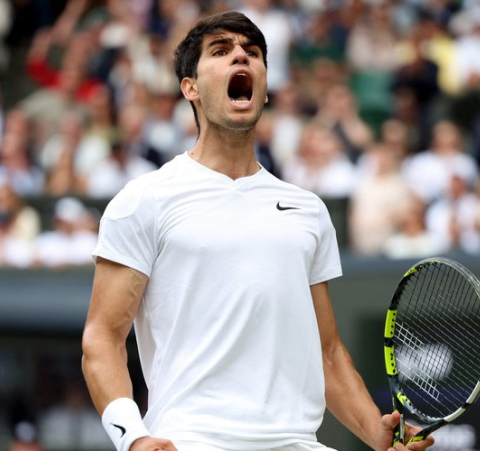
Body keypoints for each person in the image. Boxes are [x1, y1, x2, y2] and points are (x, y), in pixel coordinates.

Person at [82, 11, 434, 451]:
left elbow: (327, 353)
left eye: (252, 53)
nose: (240, 58)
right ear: (190, 87)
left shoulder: (307, 210)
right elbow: (102, 338)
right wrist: (133, 437)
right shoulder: (143, 200)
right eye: (221, 51)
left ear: (264, 88)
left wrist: (376, 432)